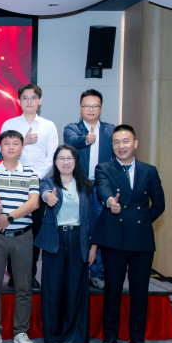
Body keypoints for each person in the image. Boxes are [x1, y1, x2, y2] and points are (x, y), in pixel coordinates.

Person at [93, 124, 165, 343]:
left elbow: (159, 204)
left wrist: (141, 222)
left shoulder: (149, 171)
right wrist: (110, 203)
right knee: (112, 289)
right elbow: (103, 191)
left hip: (141, 240)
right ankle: (110, 337)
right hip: (113, 238)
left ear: (135, 144)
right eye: (116, 142)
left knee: (139, 291)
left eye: (125, 141)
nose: (121, 146)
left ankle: (137, 339)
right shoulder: (104, 168)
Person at [34, 144, 97, 343]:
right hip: (55, 240)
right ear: (55, 162)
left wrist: (93, 245)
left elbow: (92, 218)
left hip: (79, 240)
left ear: (76, 161)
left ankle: (74, 338)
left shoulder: (87, 186)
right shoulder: (48, 182)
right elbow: (44, 192)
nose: (65, 162)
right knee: (53, 289)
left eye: (69, 158)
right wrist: (48, 197)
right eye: (61, 158)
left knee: (75, 290)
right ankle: (53, 336)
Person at [0, 130, 39, 343]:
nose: (11, 147)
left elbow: (34, 203)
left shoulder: (31, 173)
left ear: (22, 147)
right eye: (7, 143)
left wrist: (9, 217)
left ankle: (20, 332)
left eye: (16, 143)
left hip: (22, 236)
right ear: (0, 147)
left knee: (23, 286)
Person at [1, 83, 58, 289]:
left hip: (37, 185)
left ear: (40, 101)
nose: (29, 101)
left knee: (34, 231)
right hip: (12, 183)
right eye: (25, 98)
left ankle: (30, 274)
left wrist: (33, 179)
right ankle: (13, 274)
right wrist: (22, 142)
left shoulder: (49, 126)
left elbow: (52, 157)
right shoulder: (9, 124)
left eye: (33, 98)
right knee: (12, 228)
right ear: (19, 101)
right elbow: (6, 152)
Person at [63, 89, 115, 290]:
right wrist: (86, 140)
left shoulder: (110, 130)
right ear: (80, 108)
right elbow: (71, 141)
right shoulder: (73, 128)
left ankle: (98, 272)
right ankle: (77, 271)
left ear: (101, 108)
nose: (91, 109)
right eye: (87, 106)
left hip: (102, 187)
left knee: (99, 230)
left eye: (95, 106)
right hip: (79, 187)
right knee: (78, 229)